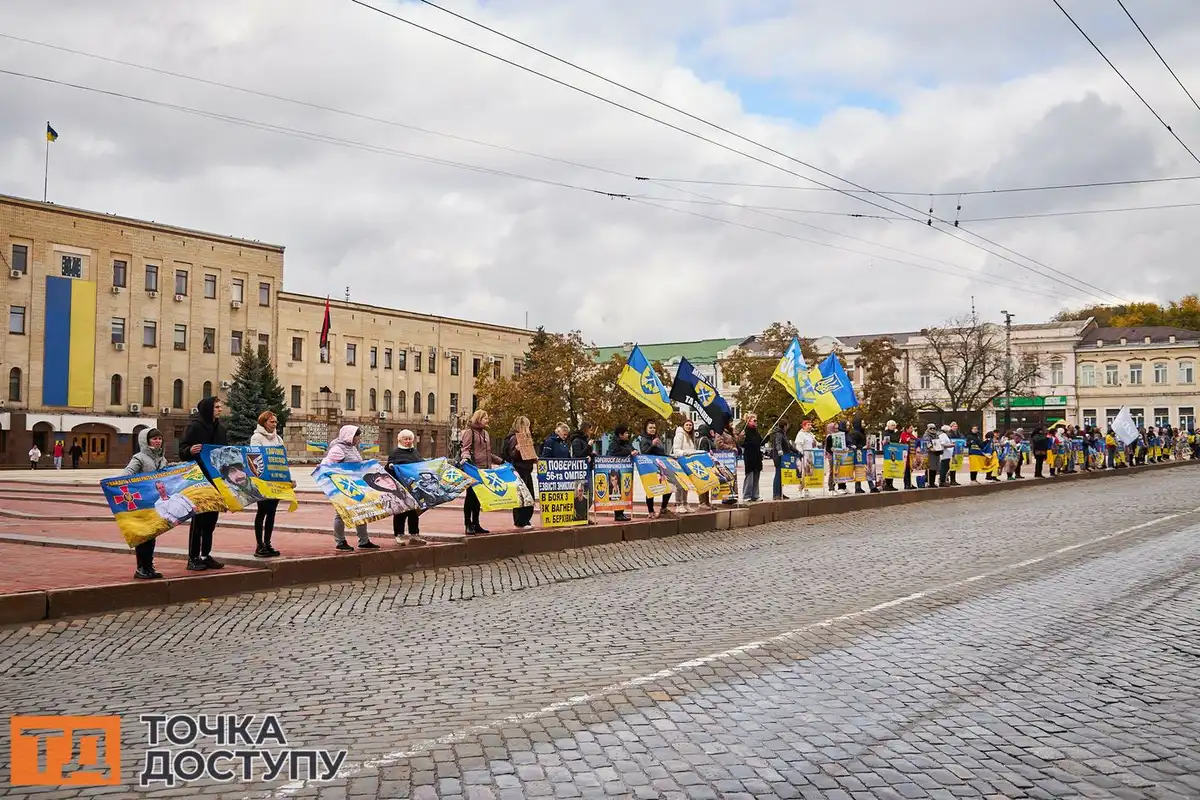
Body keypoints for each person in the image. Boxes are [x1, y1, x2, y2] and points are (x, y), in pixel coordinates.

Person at [179, 396, 227, 571]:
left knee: (211, 520)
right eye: (216, 407)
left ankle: (206, 555)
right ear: (208, 409)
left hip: (216, 480)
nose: (220, 409)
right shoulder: (195, 427)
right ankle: (193, 557)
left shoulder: (220, 429)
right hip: (199, 480)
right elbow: (182, 450)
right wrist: (189, 450)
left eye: (220, 407)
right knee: (198, 521)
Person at [322, 424, 379, 551]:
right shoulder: (337, 449)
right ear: (348, 436)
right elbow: (326, 465)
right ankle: (340, 541)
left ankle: (364, 541)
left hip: (356, 485)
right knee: (341, 513)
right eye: (356, 437)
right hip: (343, 485)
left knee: (361, 511)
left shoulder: (352, 448)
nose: (357, 439)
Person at [122, 428, 169, 580]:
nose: (158, 441)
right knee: (143, 535)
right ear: (146, 441)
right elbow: (127, 474)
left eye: (159, 439)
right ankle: (141, 567)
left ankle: (149, 566)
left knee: (152, 534)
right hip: (141, 502)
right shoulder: (139, 458)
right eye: (154, 439)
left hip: (155, 502)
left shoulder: (162, 459)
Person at [249, 411, 289, 557]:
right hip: (263, 481)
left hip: (276, 480)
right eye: (272, 422)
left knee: (272, 512)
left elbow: (282, 459)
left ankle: (268, 543)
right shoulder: (257, 437)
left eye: (275, 422)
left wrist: (287, 478)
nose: (274, 424)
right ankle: (259, 545)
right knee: (262, 512)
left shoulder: (278, 438)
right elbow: (255, 457)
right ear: (264, 422)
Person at [460, 409, 503, 534]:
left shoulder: (486, 434)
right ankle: (468, 524)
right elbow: (465, 449)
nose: (487, 420)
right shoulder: (470, 432)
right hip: (473, 469)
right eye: (485, 418)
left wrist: (501, 461)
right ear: (479, 418)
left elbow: (488, 453)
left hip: (485, 471)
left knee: (479, 498)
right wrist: (466, 458)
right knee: (471, 497)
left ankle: (476, 523)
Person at [500, 417, 537, 529]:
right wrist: (517, 450)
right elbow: (513, 455)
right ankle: (520, 521)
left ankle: (524, 520)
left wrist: (533, 458)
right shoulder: (515, 438)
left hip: (525, 469)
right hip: (520, 470)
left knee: (528, 496)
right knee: (522, 497)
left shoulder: (523, 438)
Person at [634, 420, 672, 517]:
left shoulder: (657, 439)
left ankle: (664, 508)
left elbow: (661, 453)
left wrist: (670, 457)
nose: (652, 430)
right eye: (650, 428)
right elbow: (644, 453)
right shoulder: (644, 440)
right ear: (646, 429)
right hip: (650, 468)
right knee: (652, 489)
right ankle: (651, 512)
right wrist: (652, 445)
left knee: (668, 487)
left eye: (654, 428)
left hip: (660, 467)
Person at [606, 425, 635, 521]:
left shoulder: (627, 443)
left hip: (625, 472)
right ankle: (618, 514)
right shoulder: (613, 443)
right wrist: (628, 453)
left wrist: (634, 451)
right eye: (626, 433)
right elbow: (613, 454)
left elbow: (632, 449)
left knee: (622, 492)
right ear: (620, 435)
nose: (628, 435)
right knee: (616, 493)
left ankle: (621, 513)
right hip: (616, 470)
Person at [771, 420, 797, 501]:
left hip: (784, 457)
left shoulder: (783, 434)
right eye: (787, 426)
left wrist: (797, 451)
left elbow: (789, 446)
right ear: (784, 426)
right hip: (779, 457)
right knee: (778, 475)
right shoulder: (778, 434)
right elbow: (778, 443)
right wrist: (780, 451)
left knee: (782, 476)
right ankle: (776, 494)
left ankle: (780, 492)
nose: (787, 427)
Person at [714, 425, 740, 505]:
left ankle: (733, 496)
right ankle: (725, 497)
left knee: (733, 477)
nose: (731, 424)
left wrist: (739, 436)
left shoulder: (731, 432)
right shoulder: (720, 432)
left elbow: (737, 441)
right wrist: (731, 448)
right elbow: (719, 444)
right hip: (724, 457)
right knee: (726, 476)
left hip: (731, 458)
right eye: (730, 422)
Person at [740, 414, 763, 503]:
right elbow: (741, 443)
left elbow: (760, 442)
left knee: (756, 476)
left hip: (757, 456)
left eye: (756, 420)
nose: (756, 422)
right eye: (754, 420)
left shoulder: (756, 431)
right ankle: (747, 495)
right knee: (749, 477)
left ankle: (755, 495)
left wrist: (768, 436)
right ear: (748, 421)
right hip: (749, 456)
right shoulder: (745, 430)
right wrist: (743, 438)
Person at [794, 419, 818, 497]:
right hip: (804, 456)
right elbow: (798, 445)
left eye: (811, 425)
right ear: (804, 426)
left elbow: (814, 444)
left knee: (808, 473)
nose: (810, 426)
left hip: (810, 456)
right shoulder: (801, 434)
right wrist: (801, 454)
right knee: (803, 474)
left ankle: (806, 489)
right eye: (808, 425)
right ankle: (799, 490)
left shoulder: (810, 434)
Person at [849, 416, 869, 494]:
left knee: (861, 470)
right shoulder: (855, 433)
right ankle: (858, 487)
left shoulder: (861, 432)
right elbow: (853, 444)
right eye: (862, 423)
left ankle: (858, 487)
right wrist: (862, 447)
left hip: (862, 452)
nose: (864, 424)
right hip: (858, 453)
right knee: (859, 470)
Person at [923, 424, 942, 488]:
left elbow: (939, 442)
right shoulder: (926, 435)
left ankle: (932, 482)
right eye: (931, 428)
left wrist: (940, 448)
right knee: (931, 468)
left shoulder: (936, 435)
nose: (932, 429)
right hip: (930, 453)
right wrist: (931, 448)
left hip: (936, 452)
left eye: (934, 428)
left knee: (935, 468)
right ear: (928, 428)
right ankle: (930, 483)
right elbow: (927, 442)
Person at [900, 424, 917, 490]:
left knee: (909, 470)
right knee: (906, 469)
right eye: (910, 428)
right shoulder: (903, 434)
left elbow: (916, 440)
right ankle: (906, 484)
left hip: (911, 454)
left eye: (912, 428)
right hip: (905, 455)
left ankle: (909, 483)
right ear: (906, 429)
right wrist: (910, 439)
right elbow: (905, 440)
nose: (912, 430)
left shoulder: (911, 435)